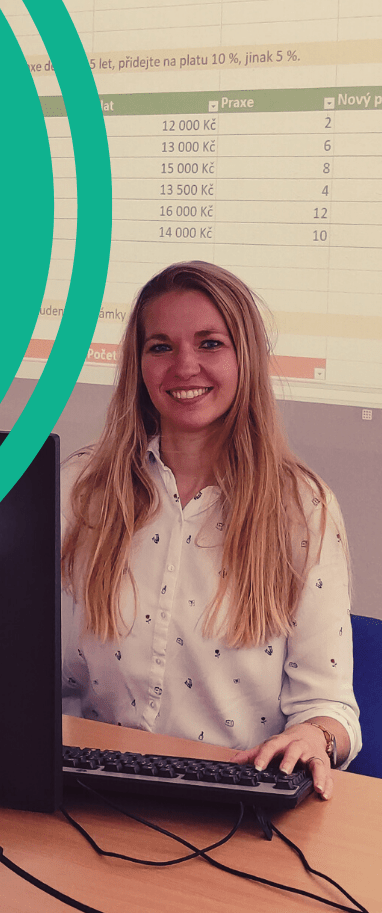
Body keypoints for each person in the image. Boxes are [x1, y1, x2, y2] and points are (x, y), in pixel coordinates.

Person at [61, 261, 360, 800]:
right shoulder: (81, 489)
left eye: (210, 343)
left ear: (245, 358)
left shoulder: (302, 507)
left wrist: (314, 736)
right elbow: (40, 674)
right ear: (137, 365)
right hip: (93, 794)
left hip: (234, 805)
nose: (184, 366)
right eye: (160, 347)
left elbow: (330, 709)